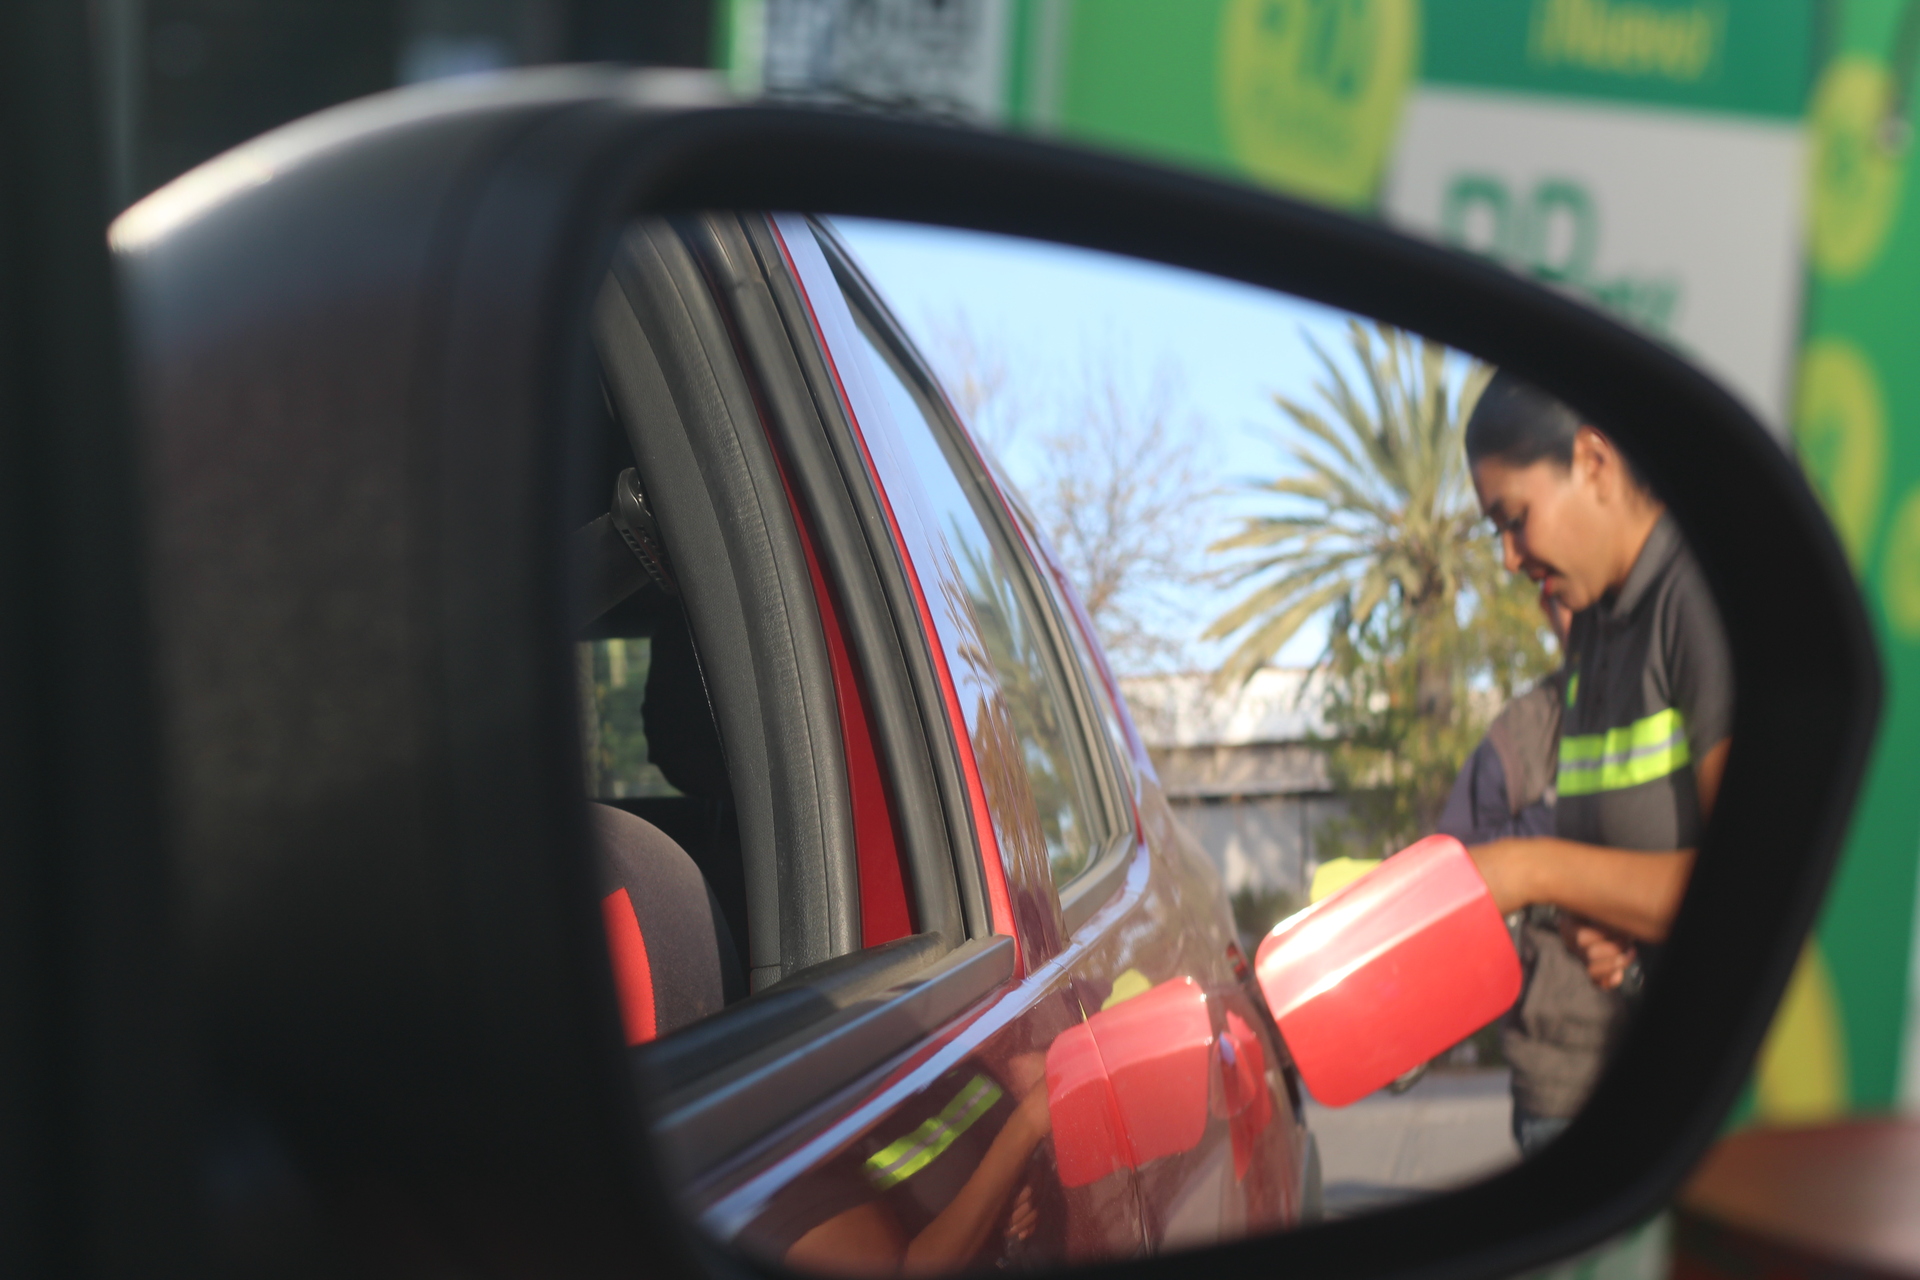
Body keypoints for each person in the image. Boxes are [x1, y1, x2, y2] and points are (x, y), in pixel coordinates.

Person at [1461, 372, 1734, 1153]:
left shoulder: (1694, 599)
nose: (1509, 559)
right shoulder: (1595, 631)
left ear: (1595, 464)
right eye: (1495, 533)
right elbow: (1631, 864)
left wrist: (1534, 869)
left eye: (1514, 519)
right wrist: (1610, 922)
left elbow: (1749, 877)